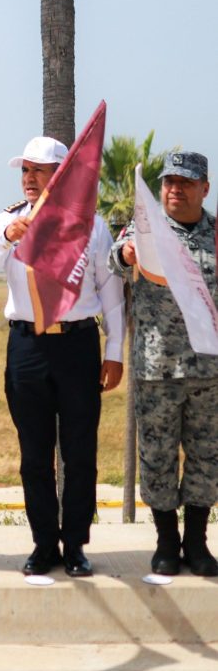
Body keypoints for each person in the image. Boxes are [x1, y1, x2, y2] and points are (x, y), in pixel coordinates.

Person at [0, 136, 124, 578]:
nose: (29, 178)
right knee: (34, 453)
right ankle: (43, 543)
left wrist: (114, 351)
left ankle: (75, 544)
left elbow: (111, 293)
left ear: (61, 175)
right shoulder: (8, 219)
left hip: (77, 346)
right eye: (25, 170)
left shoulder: (91, 226)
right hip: (28, 346)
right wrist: (6, 238)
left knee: (80, 452)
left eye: (39, 170)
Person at [109, 150, 217, 577]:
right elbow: (112, 261)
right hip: (157, 369)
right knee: (156, 457)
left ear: (204, 188)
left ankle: (197, 541)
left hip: (209, 371)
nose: (175, 189)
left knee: (207, 458)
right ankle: (166, 541)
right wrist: (127, 255)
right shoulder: (145, 230)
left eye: (185, 183)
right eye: (169, 182)